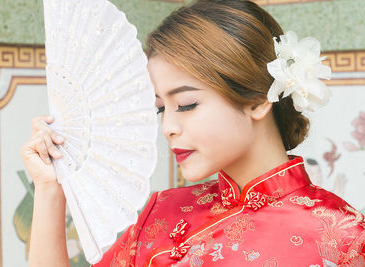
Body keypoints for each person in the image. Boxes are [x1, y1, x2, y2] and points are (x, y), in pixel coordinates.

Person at [20, 0, 365, 266]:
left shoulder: (345, 238)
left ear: (259, 100)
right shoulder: (160, 216)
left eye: (185, 104)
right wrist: (50, 190)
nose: (168, 127)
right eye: (160, 108)